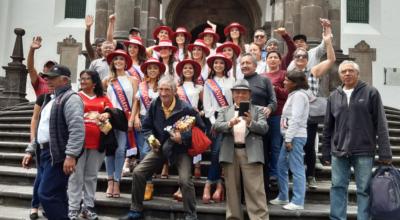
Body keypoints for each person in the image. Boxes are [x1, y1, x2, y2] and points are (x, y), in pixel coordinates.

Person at [120, 75, 205, 220]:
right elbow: (146, 127)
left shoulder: (186, 107)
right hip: (159, 148)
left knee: (185, 181)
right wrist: (151, 139)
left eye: (167, 89)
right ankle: (136, 210)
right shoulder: (154, 104)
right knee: (138, 172)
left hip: (180, 150)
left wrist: (183, 138)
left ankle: (191, 215)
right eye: (161, 89)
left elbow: (201, 128)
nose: (163, 93)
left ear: (174, 91)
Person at [322, 60, 392, 220]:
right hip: (339, 151)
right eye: (343, 71)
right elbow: (328, 127)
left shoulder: (371, 93)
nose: (347, 74)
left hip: (364, 150)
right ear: (339, 75)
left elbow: (381, 123)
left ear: (357, 73)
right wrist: (325, 151)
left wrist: (385, 153)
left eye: (350, 71)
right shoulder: (333, 96)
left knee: (364, 190)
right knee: (337, 187)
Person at [22, 64, 85, 220]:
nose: (47, 80)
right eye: (46, 77)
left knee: (46, 193)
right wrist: (31, 150)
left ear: (64, 80)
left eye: (52, 77)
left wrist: (70, 155)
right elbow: (41, 129)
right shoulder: (50, 99)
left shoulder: (71, 98)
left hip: (56, 154)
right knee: (55, 194)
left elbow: (77, 129)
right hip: (44, 153)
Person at [214, 79, 269, 220]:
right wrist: (229, 123)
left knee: (255, 190)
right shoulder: (224, 110)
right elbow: (216, 127)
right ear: (232, 94)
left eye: (244, 92)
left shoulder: (257, 110)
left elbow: (264, 128)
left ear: (249, 94)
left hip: (251, 152)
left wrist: (251, 122)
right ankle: (233, 218)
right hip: (230, 152)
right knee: (232, 191)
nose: (240, 95)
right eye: (237, 92)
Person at [291, 22, 335, 189]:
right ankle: (296, 175)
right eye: (298, 56)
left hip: (309, 114)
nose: (301, 58)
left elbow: (331, 59)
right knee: (292, 145)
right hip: (292, 115)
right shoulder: (289, 75)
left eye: (304, 56)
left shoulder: (313, 71)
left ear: (308, 59)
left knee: (309, 145)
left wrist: (328, 40)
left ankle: (310, 175)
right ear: (294, 59)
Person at [67, 70, 113, 220]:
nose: (83, 81)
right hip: (79, 143)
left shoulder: (103, 97)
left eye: (87, 79)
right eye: (81, 79)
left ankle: (87, 207)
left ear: (94, 82)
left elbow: (111, 111)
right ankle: (73, 208)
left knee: (91, 176)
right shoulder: (76, 96)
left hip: (98, 142)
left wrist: (107, 114)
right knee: (76, 176)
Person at [269, 70, 310, 210]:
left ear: (295, 83)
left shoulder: (299, 96)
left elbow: (296, 118)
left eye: (287, 80)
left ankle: (298, 201)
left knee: (297, 168)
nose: (284, 82)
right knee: (281, 166)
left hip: (295, 137)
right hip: (290, 136)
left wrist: (288, 139)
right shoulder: (293, 95)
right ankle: (283, 196)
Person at [240, 53, 277, 198]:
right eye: (242, 63)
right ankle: (244, 195)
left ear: (255, 65)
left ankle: (263, 195)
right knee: (244, 161)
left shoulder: (264, 80)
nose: (245, 66)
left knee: (262, 160)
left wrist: (269, 108)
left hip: (260, 126)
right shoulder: (238, 82)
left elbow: (273, 102)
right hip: (242, 127)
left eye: (248, 63)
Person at [129, 58, 165, 201]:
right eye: (149, 68)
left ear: (159, 71)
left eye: (155, 68)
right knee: (144, 152)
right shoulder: (142, 85)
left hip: (158, 122)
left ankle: (148, 182)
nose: (152, 71)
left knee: (148, 151)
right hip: (144, 120)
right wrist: (135, 117)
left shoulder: (162, 85)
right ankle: (148, 183)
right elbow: (136, 103)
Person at [103, 49, 137, 198]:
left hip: (125, 117)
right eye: (116, 59)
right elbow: (104, 99)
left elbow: (137, 101)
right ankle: (110, 181)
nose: (118, 62)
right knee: (109, 149)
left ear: (126, 62)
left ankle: (117, 181)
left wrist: (133, 118)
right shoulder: (107, 80)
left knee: (121, 150)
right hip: (110, 117)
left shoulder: (133, 80)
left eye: (121, 59)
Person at [202, 53, 235, 204]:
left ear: (225, 66)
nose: (218, 65)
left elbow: (233, 101)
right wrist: (215, 122)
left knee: (223, 153)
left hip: (229, 117)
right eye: (216, 63)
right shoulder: (208, 82)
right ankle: (213, 184)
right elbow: (207, 106)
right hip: (214, 119)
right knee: (216, 152)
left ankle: (215, 185)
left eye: (221, 63)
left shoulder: (232, 80)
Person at [173, 59, 204, 201]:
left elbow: (204, 105)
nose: (188, 70)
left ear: (195, 71)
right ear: (181, 71)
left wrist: (200, 113)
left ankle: (183, 187)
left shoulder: (199, 87)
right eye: (185, 68)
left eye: (190, 68)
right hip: (179, 123)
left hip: (193, 123)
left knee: (189, 154)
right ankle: (181, 185)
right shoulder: (176, 87)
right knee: (181, 155)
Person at [262, 51, 288, 186]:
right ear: (266, 60)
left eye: (275, 57)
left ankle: (275, 174)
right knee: (264, 145)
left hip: (278, 114)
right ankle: (265, 172)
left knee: (276, 145)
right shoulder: (261, 76)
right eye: (270, 57)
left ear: (279, 60)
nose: (272, 60)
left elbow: (287, 93)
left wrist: (275, 89)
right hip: (262, 115)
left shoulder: (284, 74)